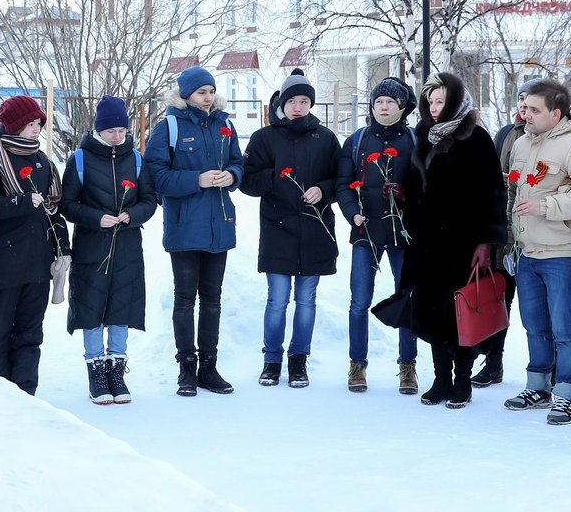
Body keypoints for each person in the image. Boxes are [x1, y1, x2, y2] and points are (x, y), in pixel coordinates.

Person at [398, 72, 508, 408]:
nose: (433, 107)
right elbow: (415, 183)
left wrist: (487, 242)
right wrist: (402, 194)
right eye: (429, 101)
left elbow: (494, 193)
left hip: (464, 242)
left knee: (459, 310)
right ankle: (440, 377)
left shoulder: (476, 138)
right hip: (428, 243)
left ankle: (462, 379)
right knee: (431, 311)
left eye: (440, 100)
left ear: (456, 102)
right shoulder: (424, 136)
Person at [503, 78, 571, 425]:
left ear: (556, 113)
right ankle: (537, 385)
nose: (526, 114)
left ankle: (565, 393)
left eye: (534, 109)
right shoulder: (520, 143)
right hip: (527, 250)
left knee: (563, 326)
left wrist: (546, 206)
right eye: (524, 108)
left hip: (561, 252)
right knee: (534, 324)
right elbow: (516, 193)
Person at [144, 65, 243, 397]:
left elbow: (238, 163)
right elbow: (155, 176)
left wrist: (232, 176)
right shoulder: (168, 127)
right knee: (185, 300)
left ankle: (209, 368)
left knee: (212, 300)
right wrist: (194, 180)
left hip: (219, 225)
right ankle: (186, 369)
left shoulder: (225, 125)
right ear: (186, 94)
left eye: (212, 91)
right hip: (184, 226)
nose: (209, 97)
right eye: (202, 92)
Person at [242, 69, 342, 388]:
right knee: (277, 300)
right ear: (281, 103)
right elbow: (246, 180)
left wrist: (323, 190)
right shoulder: (264, 138)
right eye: (292, 101)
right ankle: (271, 361)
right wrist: (274, 178)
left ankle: (299, 361)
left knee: (307, 300)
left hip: (315, 232)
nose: (298, 107)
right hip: (278, 231)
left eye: (304, 101)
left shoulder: (325, 138)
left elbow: (341, 179)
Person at [60, 96, 159, 406]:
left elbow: (150, 199)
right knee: (91, 306)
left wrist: (133, 215)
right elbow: (67, 204)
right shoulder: (80, 159)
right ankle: (96, 370)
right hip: (92, 245)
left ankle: (117, 368)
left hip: (128, 245)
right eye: (111, 130)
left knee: (121, 304)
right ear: (98, 130)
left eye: (122, 130)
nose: (118, 136)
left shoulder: (137, 159)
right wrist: (95, 218)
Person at [0, 95, 68, 395]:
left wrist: (63, 249)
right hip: (3, 266)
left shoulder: (44, 163)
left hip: (37, 268)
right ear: (12, 126)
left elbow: (54, 212)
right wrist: (21, 202)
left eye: (38, 123)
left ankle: (25, 396)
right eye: (28, 124)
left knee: (30, 335)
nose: (35, 129)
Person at [337, 77, 417, 394]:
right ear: (372, 106)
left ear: (401, 107)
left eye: (390, 102)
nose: (383, 107)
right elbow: (342, 184)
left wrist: (408, 196)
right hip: (365, 231)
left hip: (404, 235)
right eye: (378, 102)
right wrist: (351, 212)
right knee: (359, 302)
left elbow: (428, 185)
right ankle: (358, 365)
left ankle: (407, 366)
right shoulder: (357, 141)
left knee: (408, 299)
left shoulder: (414, 141)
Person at [477, 77, 540, 388]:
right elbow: (488, 180)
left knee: (537, 309)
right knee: (499, 301)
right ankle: (493, 363)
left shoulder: (552, 136)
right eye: (521, 101)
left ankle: (545, 370)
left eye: (531, 103)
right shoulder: (505, 134)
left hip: (538, 233)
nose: (525, 109)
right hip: (506, 231)